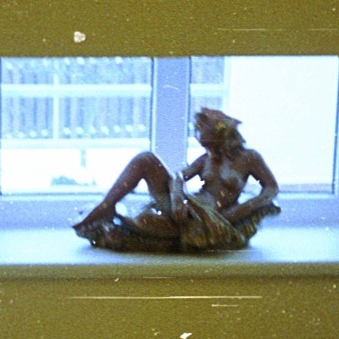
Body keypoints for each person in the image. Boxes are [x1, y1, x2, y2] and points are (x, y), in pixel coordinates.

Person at [71, 108, 280, 252]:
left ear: (220, 132)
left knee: (146, 220)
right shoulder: (207, 158)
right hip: (189, 207)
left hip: (209, 218)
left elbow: (271, 188)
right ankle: (107, 206)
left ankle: (123, 226)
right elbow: (180, 176)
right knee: (146, 160)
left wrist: (243, 210)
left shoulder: (249, 158)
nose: (197, 134)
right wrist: (178, 196)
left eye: (202, 129)